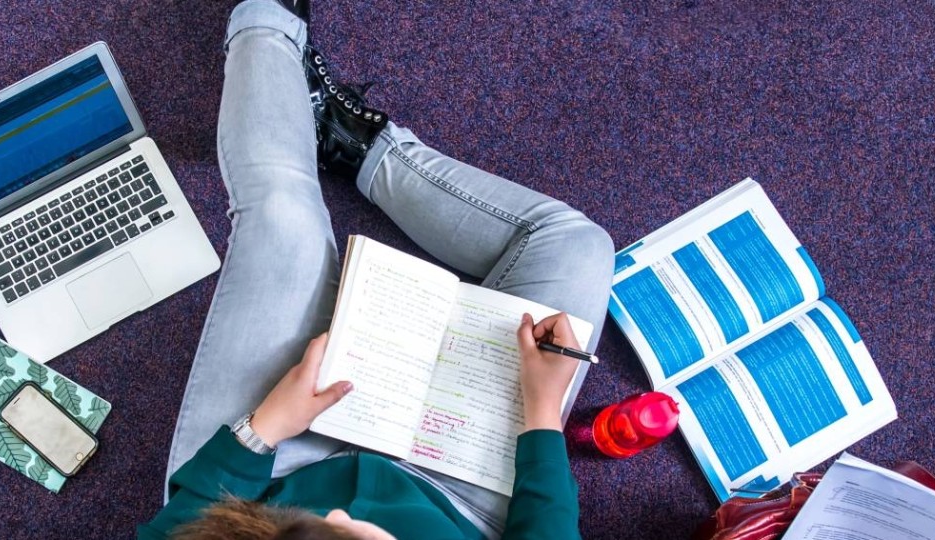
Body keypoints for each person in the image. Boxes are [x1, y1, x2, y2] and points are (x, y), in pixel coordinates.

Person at [141, 0, 614, 538]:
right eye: (354, 531)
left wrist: (264, 428)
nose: (342, 514)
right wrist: (542, 414)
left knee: (283, 218)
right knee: (577, 246)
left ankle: (266, 23)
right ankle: (355, 144)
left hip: (272, 481)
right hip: (461, 503)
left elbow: (178, 528)